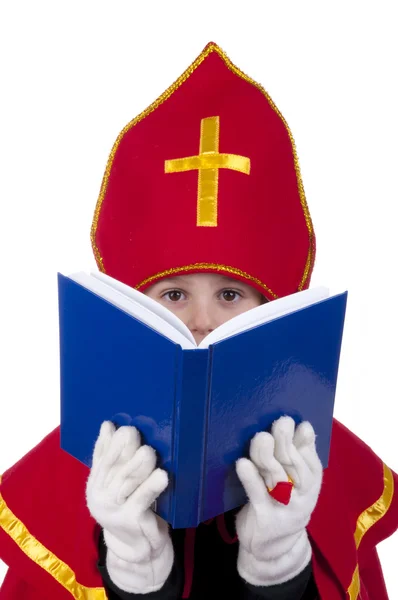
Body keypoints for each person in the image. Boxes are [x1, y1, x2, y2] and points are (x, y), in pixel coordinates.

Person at [0, 41, 397, 600]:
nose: (203, 322)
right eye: (175, 294)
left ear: (274, 307)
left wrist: (281, 570)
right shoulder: (75, 468)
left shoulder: (319, 466)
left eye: (232, 293)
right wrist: (133, 574)